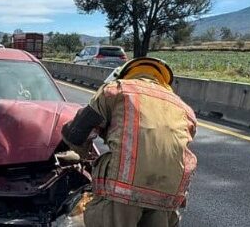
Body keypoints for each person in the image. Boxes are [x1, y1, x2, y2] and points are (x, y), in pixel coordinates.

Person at [62, 57, 197, 227]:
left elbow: (77, 133)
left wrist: (82, 154)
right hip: (167, 197)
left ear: (125, 74)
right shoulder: (185, 109)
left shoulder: (115, 90)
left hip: (122, 192)